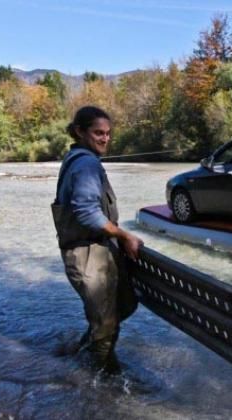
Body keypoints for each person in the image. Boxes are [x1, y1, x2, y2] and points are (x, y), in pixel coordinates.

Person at [51, 106, 142, 373]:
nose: (105, 138)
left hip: (90, 249)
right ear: (80, 132)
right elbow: (86, 211)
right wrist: (124, 234)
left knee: (119, 308)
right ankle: (104, 379)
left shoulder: (75, 158)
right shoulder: (86, 164)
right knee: (105, 324)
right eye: (98, 133)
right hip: (87, 255)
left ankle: (83, 354)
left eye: (108, 133)